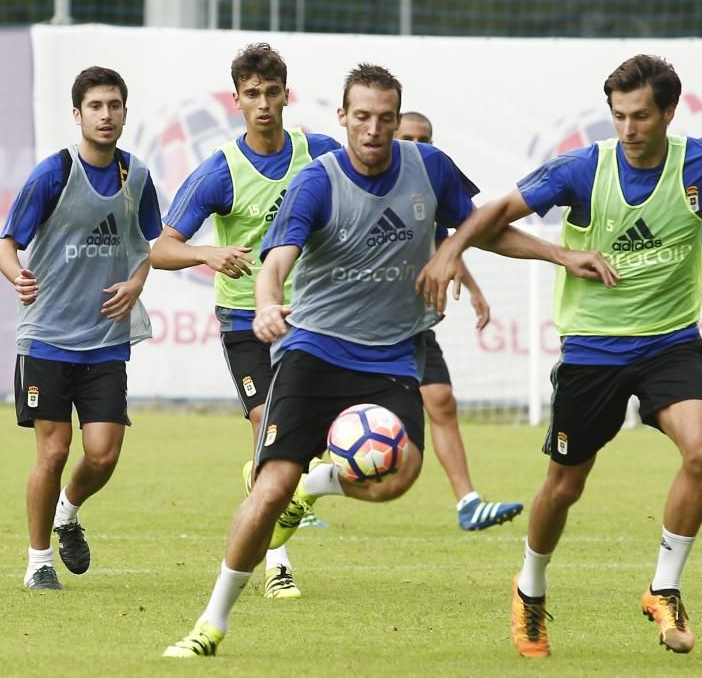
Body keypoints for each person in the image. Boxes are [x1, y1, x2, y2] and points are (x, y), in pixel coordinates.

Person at [416, 54, 702, 657]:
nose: (629, 129)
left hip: (671, 342)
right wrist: (456, 249)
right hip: (593, 350)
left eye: (641, 116)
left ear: (668, 112)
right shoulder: (582, 169)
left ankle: (664, 588)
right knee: (564, 486)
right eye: (618, 117)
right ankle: (530, 590)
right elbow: (498, 213)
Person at [163, 63, 607, 658]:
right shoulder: (316, 182)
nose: (373, 129)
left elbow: (481, 227)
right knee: (268, 490)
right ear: (342, 117)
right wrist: (268, 307)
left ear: (399, 121)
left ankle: (315, 484)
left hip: (394, 354)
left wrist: (559, 255)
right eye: (362, 116)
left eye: (386, 118)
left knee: (399, 476)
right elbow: (275, 264)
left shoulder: (430, 168)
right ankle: (210, 624)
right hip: (314, 350)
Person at [149, 43, 340, 600]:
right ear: (235, 101)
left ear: (287, 95)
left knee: (322, 441)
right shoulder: (220, 172)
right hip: (246, 319)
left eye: (271, 93)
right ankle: (276, 560)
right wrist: (207, 254)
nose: (262, 104)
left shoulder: (321, 153)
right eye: (251, 95)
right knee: (269, 425)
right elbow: (161, 249)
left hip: (316, 317)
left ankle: (294, 486)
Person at [0, 66, 162, 591]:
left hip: (107, 340)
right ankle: (38, 562)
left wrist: (136, 283)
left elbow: (151, 247)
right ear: (77, 114)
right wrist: (17, 276)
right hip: (46, 336)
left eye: (114, 105)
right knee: (54, 450)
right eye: (95, 106)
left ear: (125, 112)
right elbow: (5, 245)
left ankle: (68, 512)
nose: (106, 115)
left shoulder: (138, 177)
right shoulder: (53, 173)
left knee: (104, 453)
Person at [396, 111, 523, 531]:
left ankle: (468, 503)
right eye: (410, 136)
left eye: (426, 137)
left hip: (411, 327)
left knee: (443, 402)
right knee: (340, 414)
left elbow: (450, 241)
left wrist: (474, 290)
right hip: (359, 326)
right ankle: (302, 489)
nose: (420, 143)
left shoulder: (431, 182)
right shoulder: (371, 183)